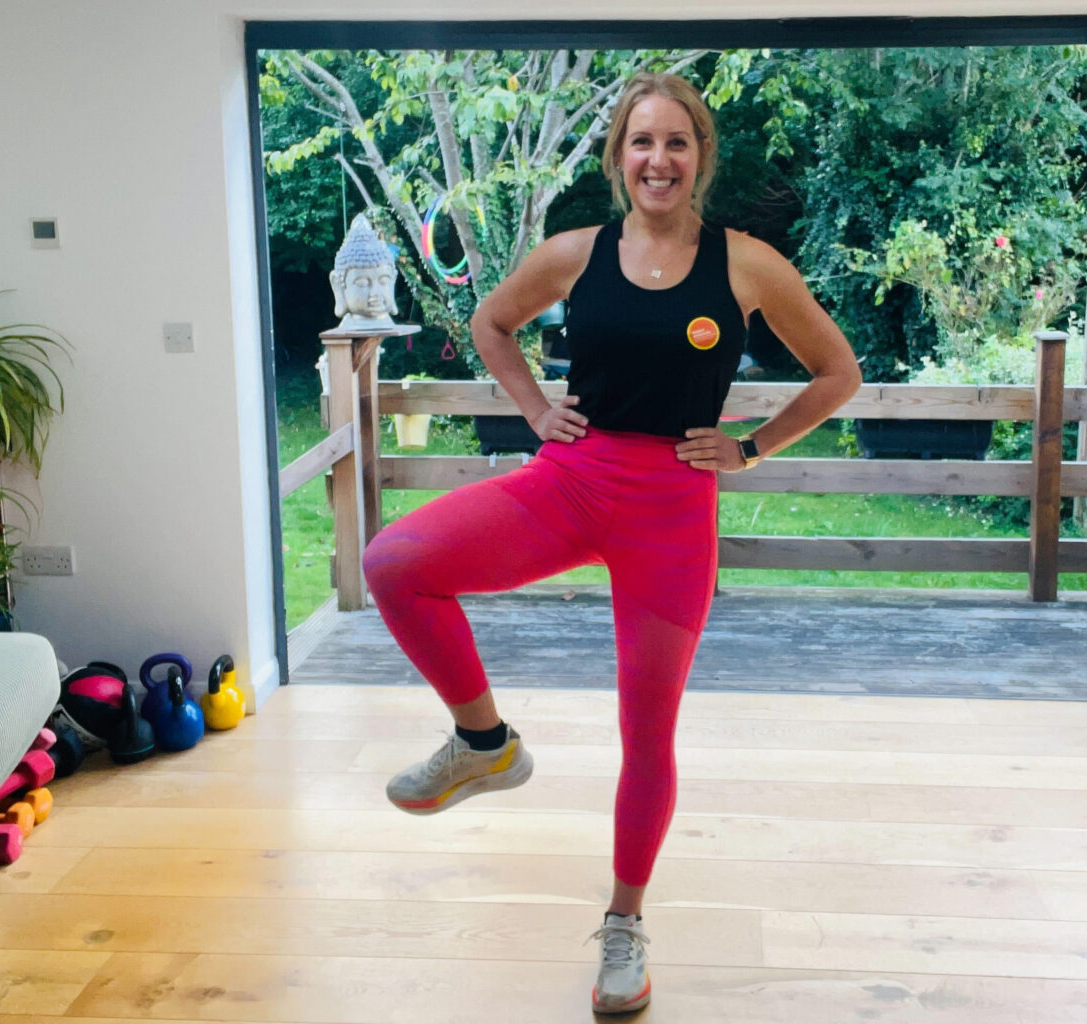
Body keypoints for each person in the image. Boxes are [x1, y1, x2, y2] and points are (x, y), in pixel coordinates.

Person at [361, 70, 862, 1015]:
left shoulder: (746, 264)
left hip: (673, 513)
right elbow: (490, 321)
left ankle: (625, 925)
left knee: (647, 731)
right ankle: (483, 743)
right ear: (618, 156)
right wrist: (535, 408)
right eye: (642, 142)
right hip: (572, 483)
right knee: (394, 563)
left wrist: (751, 447)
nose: (658, 160)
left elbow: (839, 372)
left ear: (700, 158)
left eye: (677, 143)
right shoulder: (573, 253)